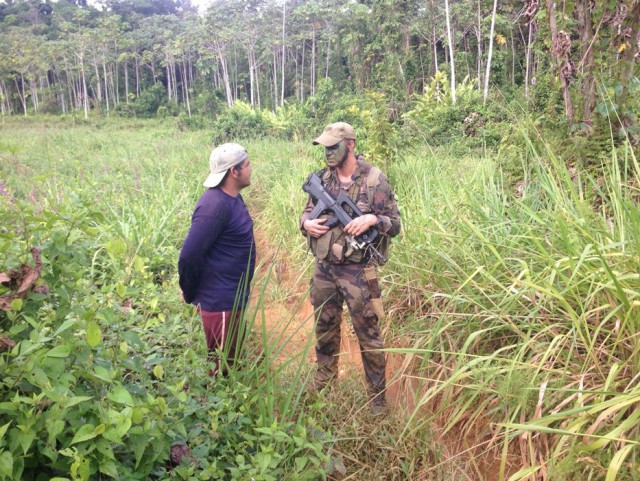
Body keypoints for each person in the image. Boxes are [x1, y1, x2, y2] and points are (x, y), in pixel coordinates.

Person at [301, 122, 401, 415]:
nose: (328, 153)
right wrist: (306, 223)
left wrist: (372, 220)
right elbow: (307, 213)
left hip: (359, 272)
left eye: (334, 147)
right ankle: (324, 380)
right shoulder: (322, 179)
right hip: (325, 270)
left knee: (368, 334)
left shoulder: (374, 180)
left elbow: (394, 224)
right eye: (325, 148)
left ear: (351, 145)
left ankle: (377, 399)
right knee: (324, 326)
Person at [179, 142, 256, 376]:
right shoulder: (213, 205)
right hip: (221, 301)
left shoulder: (231, 198)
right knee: (221, 371)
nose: (251, 169)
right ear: (234, 171)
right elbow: (189, 255)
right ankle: (216, 411)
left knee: (230, 363)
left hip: (232, 298)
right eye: (247, 164)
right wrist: (189, 291)